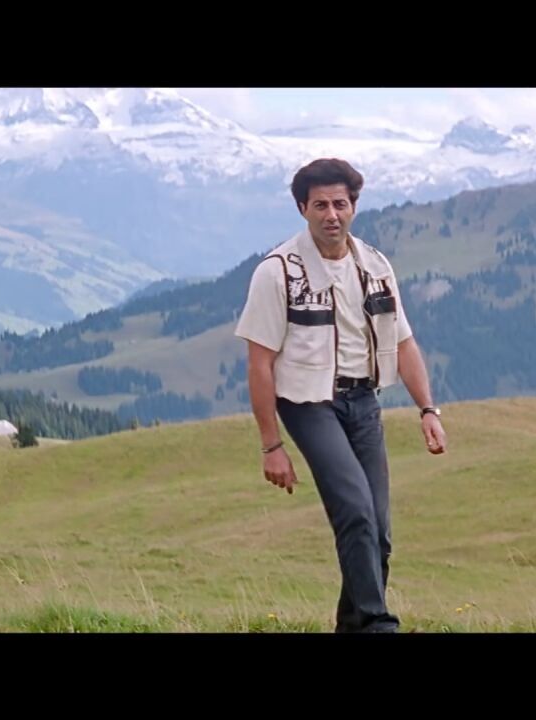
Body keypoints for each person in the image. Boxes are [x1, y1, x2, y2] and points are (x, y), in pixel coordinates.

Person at [234, 157, 448, 633]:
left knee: (379, 531)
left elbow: (404, 342)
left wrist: (427, 410)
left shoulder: (375, 266)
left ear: (353, 206)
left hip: (364, 401)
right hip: (307, 403)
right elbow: (259, 363)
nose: (331, 214)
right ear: (302, 209)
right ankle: (378, 624)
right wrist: (271, 446)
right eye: (320, 205)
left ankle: (353, 626)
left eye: (340, 204)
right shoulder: (277, 272)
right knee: (354, 511)